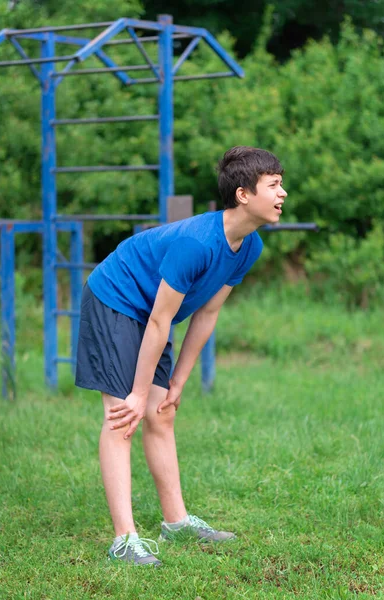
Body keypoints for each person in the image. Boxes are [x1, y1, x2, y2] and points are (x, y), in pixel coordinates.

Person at [75, 146, 287, 566]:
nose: (283, 193)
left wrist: (179, 381)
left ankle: (176, 522)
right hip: (116, 297)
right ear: (244, 194)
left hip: (152, 313)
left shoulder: (249, 246)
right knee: (124, 414)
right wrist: (137, 392)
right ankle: (124, 540)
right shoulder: (196, 243)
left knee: (162, 412)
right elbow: (159, 321)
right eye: (274, 185)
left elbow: (206, 313)